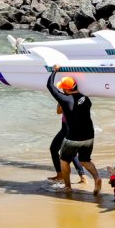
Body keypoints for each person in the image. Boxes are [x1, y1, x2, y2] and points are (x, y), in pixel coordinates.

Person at [47, 67, 101, 195]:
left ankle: (68, 187)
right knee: (85, 160)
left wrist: (55, 70)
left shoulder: (65, 100)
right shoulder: (86, 99)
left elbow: (49, 85)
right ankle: (97, 177)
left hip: (74, 137)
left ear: (67, 89)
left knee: (64, 161)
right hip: (89, 135)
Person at [48, 104, 86, 184]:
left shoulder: (67, 99)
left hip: (68, 128)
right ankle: (83, 177)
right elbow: (59, 111)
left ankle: (60, 175)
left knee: (53, 149)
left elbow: (60, 111)